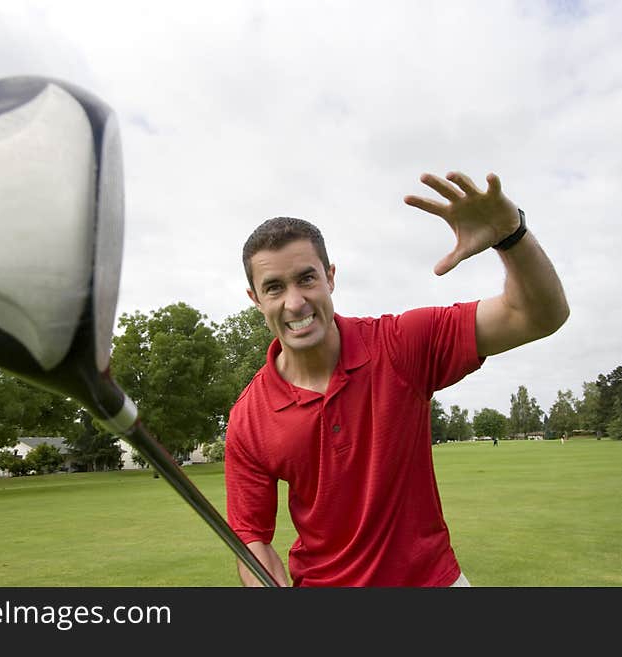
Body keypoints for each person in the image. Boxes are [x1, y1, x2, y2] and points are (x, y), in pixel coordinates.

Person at [224, 170, 569, 587]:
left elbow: (538, 315)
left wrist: (510, 235)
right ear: (256, 299)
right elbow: (252, 538)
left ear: (330, 277)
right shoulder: (248, 417)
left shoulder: (400, 344)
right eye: (275, 287)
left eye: (307, 278)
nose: (295, 303)